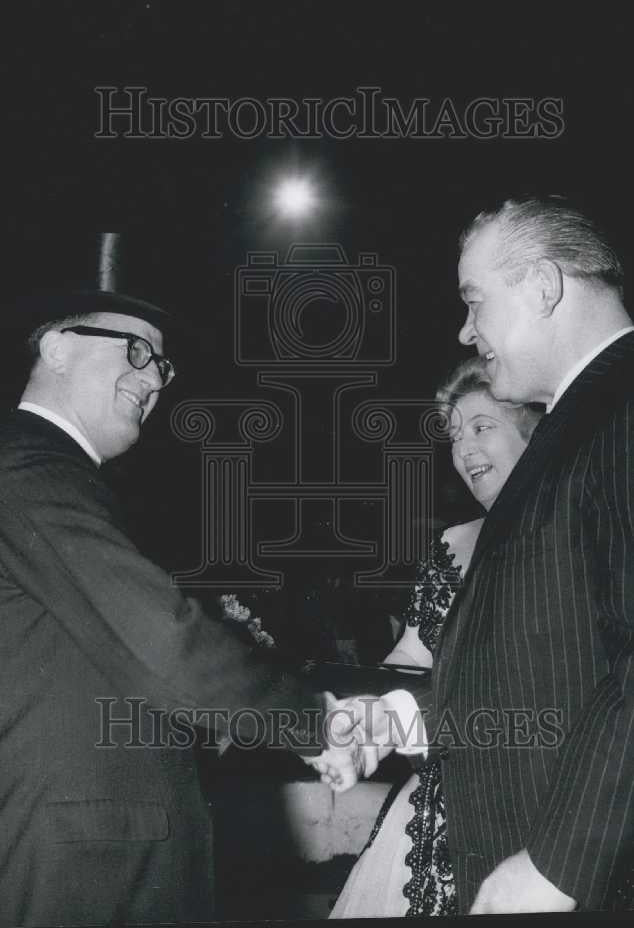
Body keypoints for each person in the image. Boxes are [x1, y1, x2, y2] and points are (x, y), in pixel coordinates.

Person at [321, 195, 634, 913]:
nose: (466, 329)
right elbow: (552, 670)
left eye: (475, 300)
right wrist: (395, 718)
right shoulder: (578, 422)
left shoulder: (620, 410)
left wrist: (564, 861)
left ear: (543, 286)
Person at [0, 287, 344, 927]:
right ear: (56, 348)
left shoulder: (50, 473)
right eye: (134, 351)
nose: (153, 377)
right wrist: (313, 720)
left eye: (162, 365)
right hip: (80, 866)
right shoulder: (31, 467)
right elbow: (159, 638)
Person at [328, 356, 541, 917]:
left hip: (540, 804)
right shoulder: (453, 543)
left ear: (534, 434)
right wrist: (359, 712)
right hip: (442, 792)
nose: (464, 449)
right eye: (454, 436)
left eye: (482, 428)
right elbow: (413, 656)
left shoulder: (576, 532)